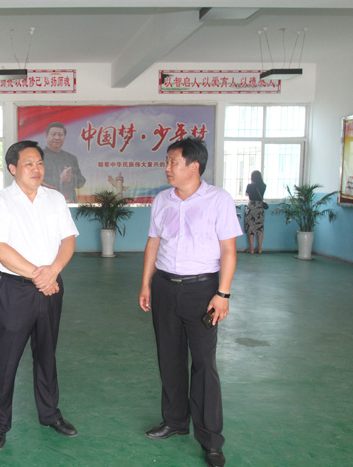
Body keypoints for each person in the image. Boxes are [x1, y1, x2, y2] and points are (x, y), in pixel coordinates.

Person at [138, 138, 242, 467]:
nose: (167, 168)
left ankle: (211, 439)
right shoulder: (162, 200)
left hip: (203, 290)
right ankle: (175, 421)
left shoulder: (219, 200)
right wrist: (146, 283)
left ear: (194, 166)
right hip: (165, 287)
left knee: (203, 365)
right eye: (167, 162)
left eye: (173, 161)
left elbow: (228, 250)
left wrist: (222, 294)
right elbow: (153, 243)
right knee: (169, 358)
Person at [0, 140, 79, 451]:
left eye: (39, 163)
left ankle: (50, 414)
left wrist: (53, 271)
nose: (36, 169)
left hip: (51, 286)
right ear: (13, 168)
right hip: (16, 289)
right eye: (29, 163)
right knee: (6, 358)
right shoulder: (1, 203)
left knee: (47, 354)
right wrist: (40, 275)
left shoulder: (55, 199)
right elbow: (0, 248)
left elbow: (68, 240)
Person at [42, 122, 86, 202]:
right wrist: (61, 178)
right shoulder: (39, 157)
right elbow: (36, 182)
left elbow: (81, 182)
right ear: (46, 136)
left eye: (60, 135)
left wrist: (69, 177)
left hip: (68, 202)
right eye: (53, 134)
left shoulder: (71, 158)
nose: (57, 137)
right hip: (45, 201)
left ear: (64, 137)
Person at [244, 170, 267, 254]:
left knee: (251, 227)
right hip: (260, 207)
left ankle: (252, 249)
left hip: (252, 207)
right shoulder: (264, 186)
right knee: (260, 228)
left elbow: (246, 194)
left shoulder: (250, 186)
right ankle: (260, 248)